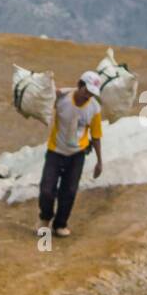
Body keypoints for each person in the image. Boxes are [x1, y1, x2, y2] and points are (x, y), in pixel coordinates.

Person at [38, 70, 105, 237]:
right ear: (79, 85)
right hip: (55, 150)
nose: (88, 95)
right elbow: (43, 103)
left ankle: (60, 224)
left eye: (91, 93)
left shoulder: (94, 108)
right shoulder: (62, 98)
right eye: (86, 91)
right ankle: (45, 219)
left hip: (77, 154)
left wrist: (99, 161)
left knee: (69, 191)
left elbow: (96, 136)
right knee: (47, 189)